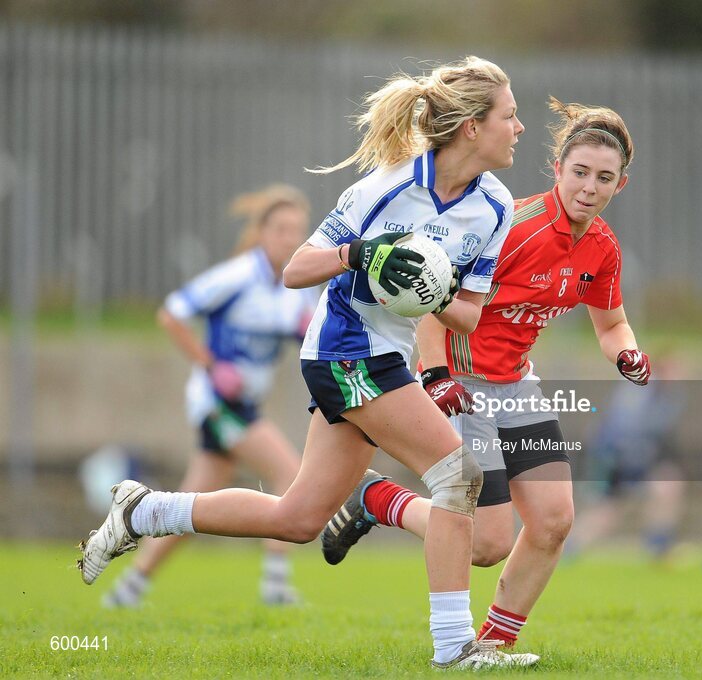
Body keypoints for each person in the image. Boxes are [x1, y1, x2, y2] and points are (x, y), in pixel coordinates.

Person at [78, 56, 538, 670]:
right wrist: (359, 254)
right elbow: (296, 270)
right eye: (511, 115)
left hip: (385, 357)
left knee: (297, 518)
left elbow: (469, 317)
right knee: (458, 476)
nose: (520, 127)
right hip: (345, 351)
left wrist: (431, 291)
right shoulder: (384, 186)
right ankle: (455, 647)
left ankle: (144, 510)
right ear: (472, 127)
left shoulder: (496, 206)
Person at [320, 97, 652, 650]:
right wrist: (435, 374)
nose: (589, 188)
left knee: (553, 522)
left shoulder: (603, 249)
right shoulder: (512, 228)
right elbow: (431, 298)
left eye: (603, 178)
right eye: (579, 172)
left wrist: (627, 354)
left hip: (517, 385)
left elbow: (612, 323)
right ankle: (379, 500)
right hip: (462, 384)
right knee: (485, 544)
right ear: (557, 170)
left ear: (621, 184)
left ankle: (494, 646)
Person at [102, 184, 316, 608]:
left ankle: (128, 588)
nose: (289, 238)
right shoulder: (237, 276)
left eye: (297, 230)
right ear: (261, 232)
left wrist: (307, 331)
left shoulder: (297, 287)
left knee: (190, 508)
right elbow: (171, 314)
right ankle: (275, 587)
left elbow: (302, 334)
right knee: (291, 472)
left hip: (245, 404)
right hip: (217, 403)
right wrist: (211, 365)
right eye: (280, 229)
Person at [568, 355, 685, 561]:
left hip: (636, 458)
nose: (679, 376)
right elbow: (622, 428)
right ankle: (569, 548)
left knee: (665, 487)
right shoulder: (638, 391)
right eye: (675, 370)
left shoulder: (669, 396)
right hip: (619, 458)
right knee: (608, 512)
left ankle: (658, 547)